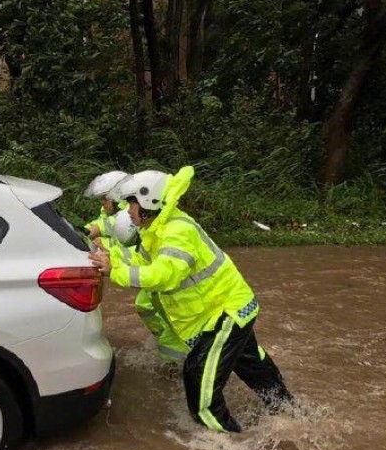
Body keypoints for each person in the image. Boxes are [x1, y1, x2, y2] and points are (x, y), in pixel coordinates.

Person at [89, 166, 293, 432]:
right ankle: (289, 414)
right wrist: (112, 258)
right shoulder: (158, 229)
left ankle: (226, 445)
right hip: (220, 313)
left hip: (225, 313)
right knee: (253, 366)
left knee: (198, 380)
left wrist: (116, 271)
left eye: (131, 204)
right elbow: (142, 261)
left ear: (149, 202)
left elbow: (165, 274)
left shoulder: (177, 230)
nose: (127, 211)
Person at [83, 170, 132, 245]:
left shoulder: (132, 213)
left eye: (105, 198)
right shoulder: (107, 211)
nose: (102, 202)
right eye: (101, 198)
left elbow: (104, 225)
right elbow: (94, 225)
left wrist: (103, 241)